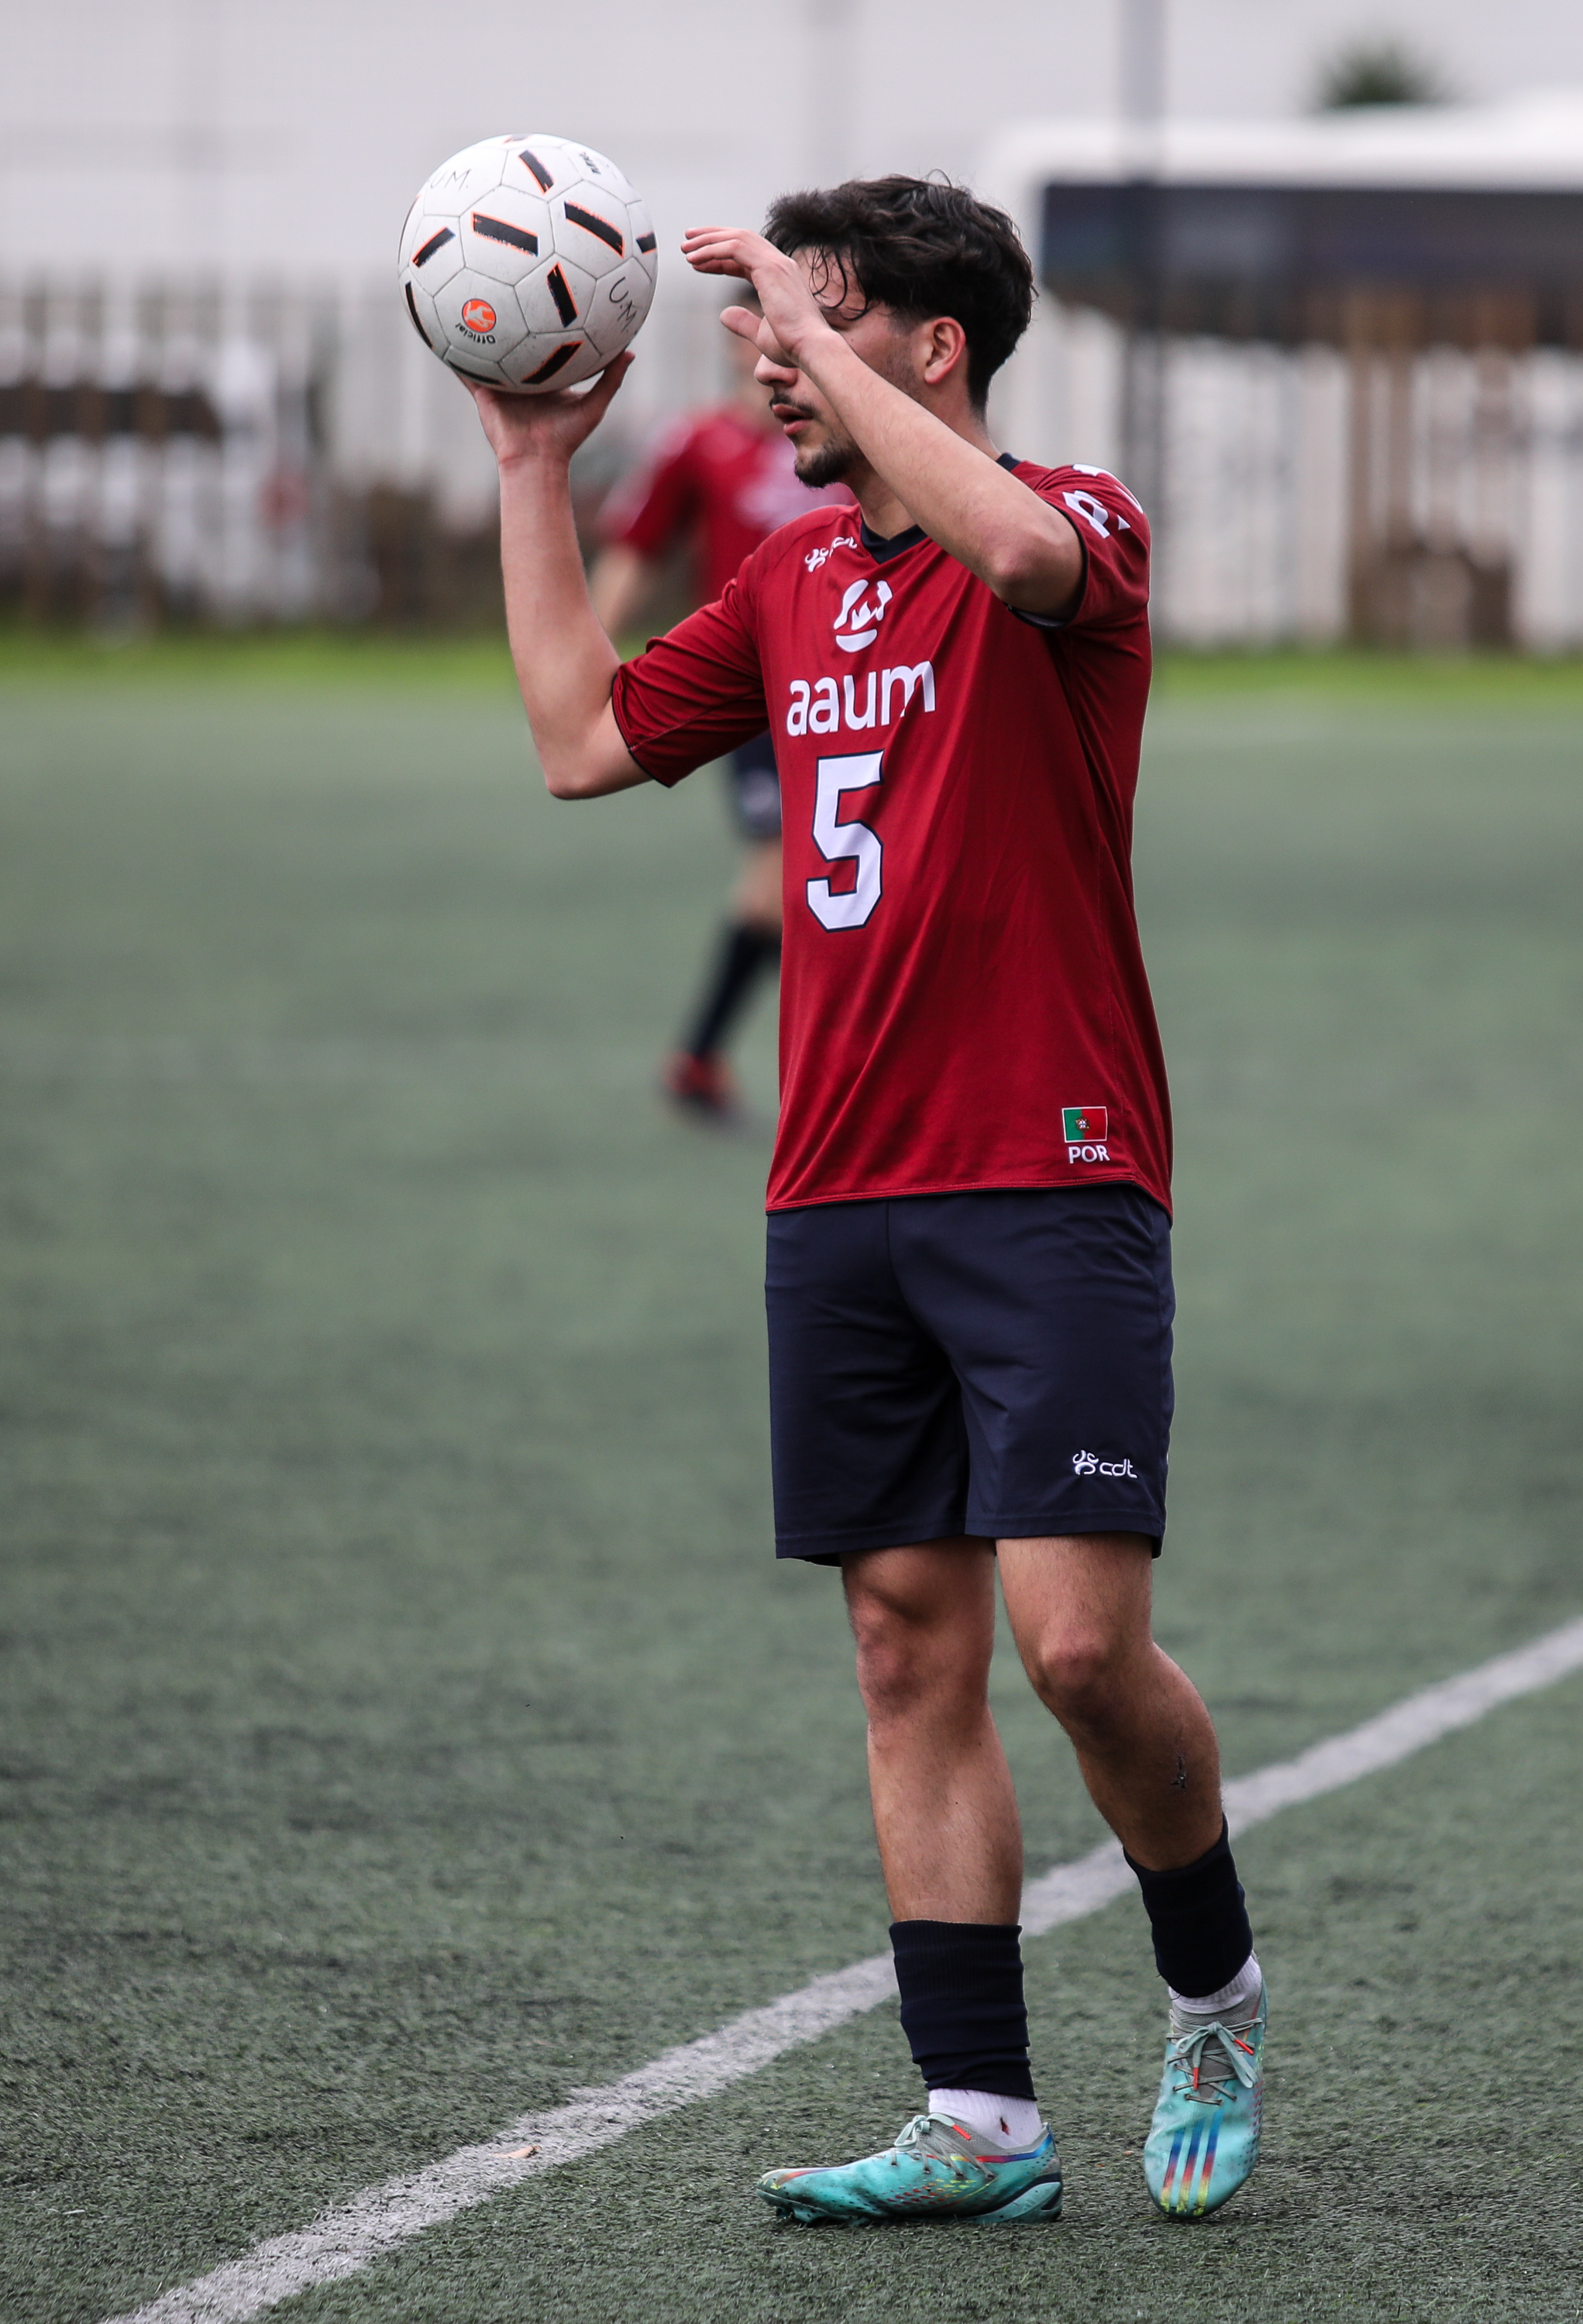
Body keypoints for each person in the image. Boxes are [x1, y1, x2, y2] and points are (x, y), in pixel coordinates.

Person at [462, 174, 1265, 2227]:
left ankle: (1211, 1989)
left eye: (812, 323)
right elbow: (574, 741)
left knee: (1079, 1653)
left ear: (930, 346)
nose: (762, 357)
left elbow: (999, 542)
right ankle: (979, 2118)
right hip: (837, 1197)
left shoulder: (1076, 519)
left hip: (1050, 1172)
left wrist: (801, 338)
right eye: (765, 330)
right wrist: (533, 466)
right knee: (910, 1658)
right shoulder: (794, 577)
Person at [589, 290, 849, 1117]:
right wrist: (586, 667)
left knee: (838, 883)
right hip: (762, 699)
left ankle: (719, 1060)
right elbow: (635, 550)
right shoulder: (696, 442)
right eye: (751, 335)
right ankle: (704, 1059)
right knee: (785, 882)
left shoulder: (857, 438)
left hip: (864, 691)